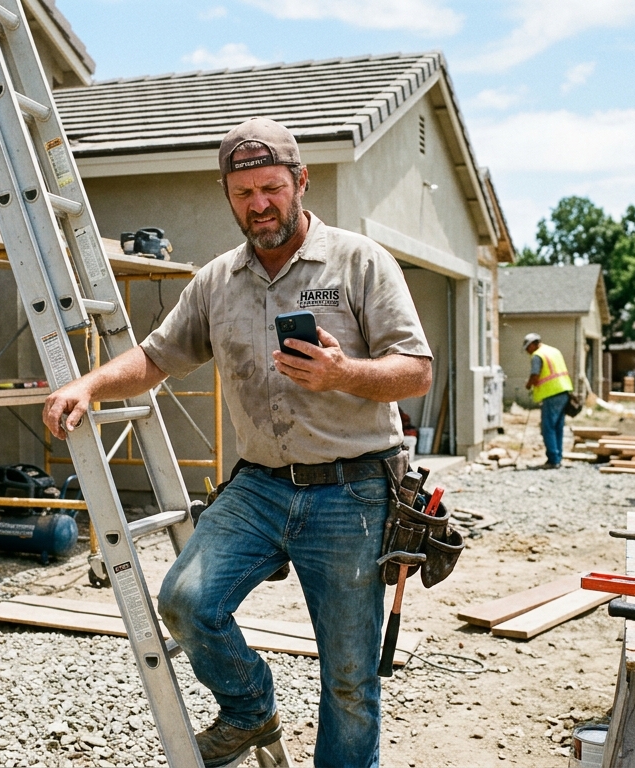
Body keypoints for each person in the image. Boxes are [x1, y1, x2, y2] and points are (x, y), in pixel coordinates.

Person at [42, 116, 432, 767]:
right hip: (258, 485)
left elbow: (415, 369)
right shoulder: (217, 282)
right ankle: (251, 707)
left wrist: (343, 373)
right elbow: (158, 356)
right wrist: (90, 385)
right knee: (186, 601)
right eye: (243, 193)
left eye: (271, 188)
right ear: (228, 196)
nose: (259, 205)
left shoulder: (359, 262)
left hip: (353, 491)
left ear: (300, 181)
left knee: (349, 681)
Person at [523, 332, 573, 469]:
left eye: (528, 348)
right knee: (558, 427)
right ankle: (558, 457)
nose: (528, 352)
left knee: (548, 428)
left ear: (533, 344)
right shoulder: (553, 351)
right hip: (564, 391)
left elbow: (535, 375)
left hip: (551, 393)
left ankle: (553, 459)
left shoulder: (537, 355)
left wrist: (528, 385)